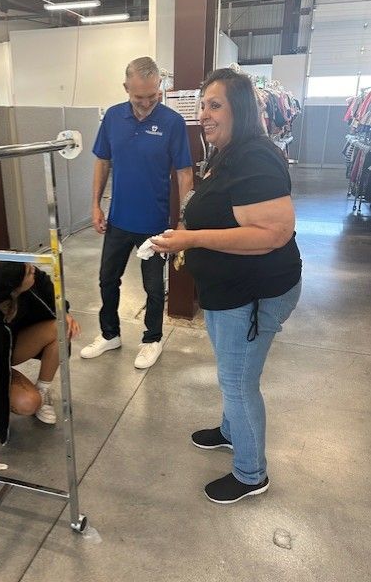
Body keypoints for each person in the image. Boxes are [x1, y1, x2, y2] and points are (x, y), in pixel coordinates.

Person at [151, 68, 302, 504]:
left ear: (240, 110)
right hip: (228, 293)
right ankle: (231, 430)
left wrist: (192, 238)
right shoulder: (226, 153)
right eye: (202, 105)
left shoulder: (256, 156)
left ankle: (252, 473)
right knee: (232, 373)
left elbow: (272, 233)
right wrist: (185, 230)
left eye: (214, 105)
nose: (204, 115)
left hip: (253, 294)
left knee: (238, 381)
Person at [80, 56, 193, 369]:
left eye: (152, 95)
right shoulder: (113, 118)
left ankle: (152, 339)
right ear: (126, 87)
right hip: (118, 219)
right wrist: (95, 204)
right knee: (107, 280)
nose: (145, 103)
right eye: (138, 96)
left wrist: (184, 219)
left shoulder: (172, 122)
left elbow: (184, 172)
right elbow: (102, 161)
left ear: (160, 88)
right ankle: (109, 334)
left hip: (154, 224)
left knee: (154, 288)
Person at [0, 260, 80, 479]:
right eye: (27, 272)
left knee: (60, 327)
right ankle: (27, 393)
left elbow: (46, 285)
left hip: (11, 345)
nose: (33, 269)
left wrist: (63, 311)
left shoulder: (23, 283)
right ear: (12, 287)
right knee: (29, 403)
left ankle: (43, 389)